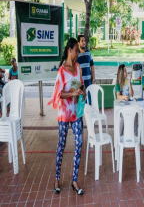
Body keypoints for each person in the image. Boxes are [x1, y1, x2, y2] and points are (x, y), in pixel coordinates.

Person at [48, 38, 86, 195]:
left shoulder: (78, 68)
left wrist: (80, 91)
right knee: (61, 145)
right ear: (70, 50)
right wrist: (71, 93)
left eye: (78, 50)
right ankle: (57, 178)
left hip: (76, 112)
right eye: (76, 49)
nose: (78, 52)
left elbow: (80, 84)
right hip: (64, 113)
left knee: (79, 143)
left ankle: (74, 180)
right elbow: (59, 94)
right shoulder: (62, 71)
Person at [115, 64, 138, 135]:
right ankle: (120, 135)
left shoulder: (128, 81)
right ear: (121, 73)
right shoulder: (118, 84)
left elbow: (131, 94)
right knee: (123, 115)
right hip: (121, 106)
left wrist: (130, 82)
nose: (126, 72)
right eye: (125, 71)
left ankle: (135, 135)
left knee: (136, 113)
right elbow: (118, 96)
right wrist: (124, 97)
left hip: (129, 105)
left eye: (126, 70)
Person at [77, 35, 96, 104]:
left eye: (84, 41)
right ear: (78, 43)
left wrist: (93, 80)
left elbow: (92, 66)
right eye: (82, 41)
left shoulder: (88, 53)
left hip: (88, 82)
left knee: (89, 103)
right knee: (80, 104)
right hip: (78, 83)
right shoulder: (76, 54)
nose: (84, 42)